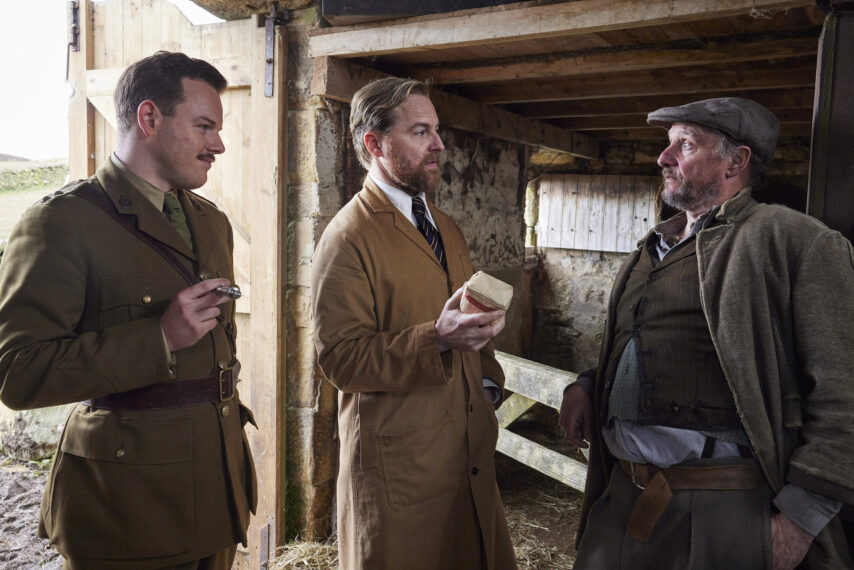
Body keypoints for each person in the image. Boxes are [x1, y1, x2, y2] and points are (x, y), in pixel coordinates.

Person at [559, 97, 854, 569]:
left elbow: (845, 392)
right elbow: (653, 343)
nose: (664, 157)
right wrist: (589, 385)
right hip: (620, 494)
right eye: (668, 143)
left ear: (736, 161)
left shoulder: (793, 240)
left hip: (725, 509)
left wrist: (799, 521)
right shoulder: (650, 247)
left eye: (686, 144)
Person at [0, 51, 256, 570]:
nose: (219, 145)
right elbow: (17, 374)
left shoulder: (211, 223)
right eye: (204, 126)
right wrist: (158, 338)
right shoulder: (61, 223)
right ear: (148, 118)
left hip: (216, 489)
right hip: (129, 508)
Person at [310, 77, 517, 570]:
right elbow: (339, 358)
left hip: (463, 452)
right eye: (421, 131)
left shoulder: (445, 226)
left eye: (436, 130)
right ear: (375, 144)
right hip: (398, 470)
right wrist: (437, 337)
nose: (439, 145)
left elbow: (466, 317)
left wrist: (487, 381)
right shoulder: (347, 238)